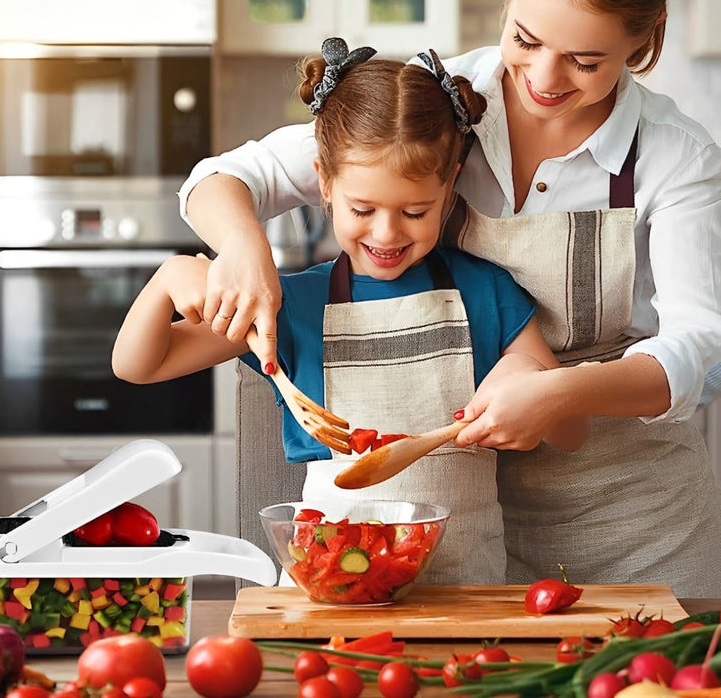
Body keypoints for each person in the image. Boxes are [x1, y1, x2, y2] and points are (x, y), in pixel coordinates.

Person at [177, 0, 721, 598]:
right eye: (526, 39)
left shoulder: (674, 154)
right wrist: (244, 249)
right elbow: (220, 179)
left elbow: (699, 341)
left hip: (631, 519)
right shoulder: (446, 104)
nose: (546, 79)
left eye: (586, 61)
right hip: (452, 524)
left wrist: (557, 391)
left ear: (647, 37)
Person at [113, 38, 587, 585]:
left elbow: (572, 431)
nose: (387, 233)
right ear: (325, 184)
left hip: (465, 595)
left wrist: (532, 383)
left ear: (451, 181)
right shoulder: (292, 307)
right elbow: (138, 365)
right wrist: (169, 277)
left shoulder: (487, 292)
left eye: (415, 211)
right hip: (330, 592)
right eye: (363, 209)